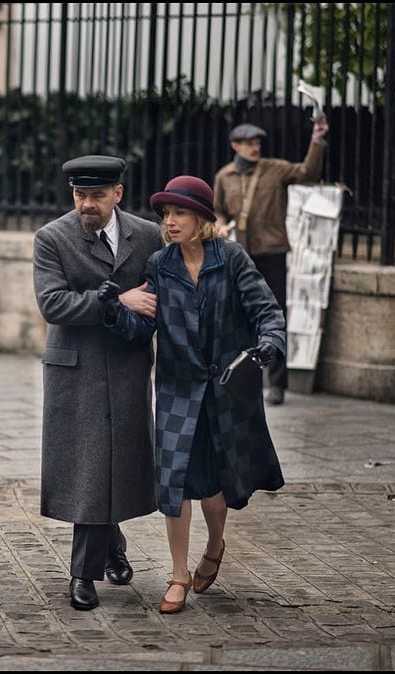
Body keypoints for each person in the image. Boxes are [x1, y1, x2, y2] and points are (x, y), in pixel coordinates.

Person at [99, 175, 286, 614]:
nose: (169, 221)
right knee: (175, 485)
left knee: (215, 489)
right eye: (165, 214)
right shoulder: (160, 265)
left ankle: (216, 545)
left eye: (179, 212)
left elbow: (267, 311)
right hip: (177, 390)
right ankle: (178, 574)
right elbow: (142, 327)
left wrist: (270, 342)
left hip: (225, 391)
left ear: (201, 218)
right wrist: (115, 308)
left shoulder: (233, 259)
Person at [32, 155, 164, 610]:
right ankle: (82, 576)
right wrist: (116, 302)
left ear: (117, 194)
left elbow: (161, 294)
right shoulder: (51, 238)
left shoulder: (147, 235)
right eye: (79, 195)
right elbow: (53, 304)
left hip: (127, 368)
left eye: (96, 196)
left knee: (118, 462)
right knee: (89, 468)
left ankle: (113, 546)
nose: (86, 204)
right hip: (77, 370)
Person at [211, 117, 328, 405]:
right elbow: (217, 210)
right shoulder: (224, 176)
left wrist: (317, 140)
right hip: (241, 254)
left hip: (273, 252)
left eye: (258, 143)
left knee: (274, 315)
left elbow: (308, 172)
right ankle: (244, 376)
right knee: (239, 316)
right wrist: (221, 225)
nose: (255, 148)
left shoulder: (275, 169)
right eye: (249, 144)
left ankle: (277, 383)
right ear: (235, 146)